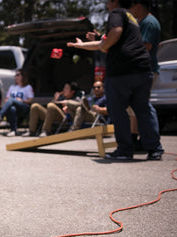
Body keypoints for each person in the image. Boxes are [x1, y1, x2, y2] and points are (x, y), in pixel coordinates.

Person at [67, 0, 164, 160]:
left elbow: (114, 34)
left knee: (117, 110)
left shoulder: (116, 13)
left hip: (122, 72)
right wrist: (82, 45)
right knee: (143, 109)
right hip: (142, 70)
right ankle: (154, 149)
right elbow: (106, 41)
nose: (107, 5)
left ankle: (125, 150)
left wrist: (105, 44)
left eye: (108, 2)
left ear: (115, 2)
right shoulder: (132, 18)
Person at [128, 0, 161, 148]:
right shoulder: (143, 22)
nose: (130, 10)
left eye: (132, 6)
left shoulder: (149, 22)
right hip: (142, 70)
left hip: (146, 70)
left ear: (139, 6)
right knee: (135, 106)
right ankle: (135, 138)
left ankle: (147, 141)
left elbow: (146, 46)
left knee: (141, 106)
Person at [0, 69, 34, 137]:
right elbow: (7, 99)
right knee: (12, 108)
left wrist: (22, 101)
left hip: (24, 107)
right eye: (15, 75)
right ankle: (13, 131)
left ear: (23, 76)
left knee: (12, 100)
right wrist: (9, 101)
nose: (16, 77)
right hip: (14, 107)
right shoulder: (12, 87)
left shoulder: (28, 87)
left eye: (18, 75)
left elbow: (31, 100)